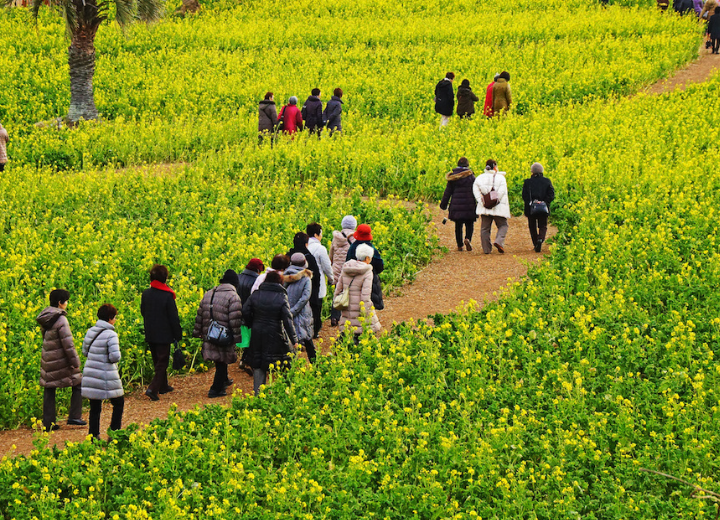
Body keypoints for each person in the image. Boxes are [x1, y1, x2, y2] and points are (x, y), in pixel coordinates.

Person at [242, 271, 299, 396]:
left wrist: (252, 323)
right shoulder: (281, 297)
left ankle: (258, 395)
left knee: (258, 360)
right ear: (280, 282)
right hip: (276, 333)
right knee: (283, 361)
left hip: (257, 333)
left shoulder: (256, 295)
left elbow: (245, 311)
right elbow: (287, 320)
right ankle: (283, 393)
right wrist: (294, 340)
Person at [36, 289, 84, 432]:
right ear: (60, 303)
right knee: (78, 383)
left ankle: (48, 423)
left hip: (48, 359)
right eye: (66, 301)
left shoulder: (46, 317)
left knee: (49, 388)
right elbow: (68, 344)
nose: (67, 303)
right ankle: (75, 416)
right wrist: (75, 362)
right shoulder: (61, 319)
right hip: (61, 360)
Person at [193, 270, 243, 398]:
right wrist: (237, 337)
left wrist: (197, 331)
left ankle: (224, 380)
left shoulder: (209, 293)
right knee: (222, 360)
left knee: (220, 359)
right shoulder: (233, 296)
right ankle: (215, 389)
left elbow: (200, 314)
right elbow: (235, 319)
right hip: (224, 335)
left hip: (209, 332)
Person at [81, 304, 124, 441]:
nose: (115, 320)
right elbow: (114, 357)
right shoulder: (111, 334)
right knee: (118, 403)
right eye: (115, 317)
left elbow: (84, 352)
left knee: (95, 405)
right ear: (110, 318)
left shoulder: (91, 331)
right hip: (106, 374)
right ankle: (114, 433)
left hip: (91, 373)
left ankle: (93, 436)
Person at [140, 264, 182, 402]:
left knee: (157, 360)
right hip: (164, 334)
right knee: (162, 361)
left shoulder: (146, 294)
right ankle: (153, 388)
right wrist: (178, 334)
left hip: (151, 332)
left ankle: (163, 386)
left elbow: (143, 312)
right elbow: (173, 317)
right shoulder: (167, 295)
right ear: (165, 278)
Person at [334, 244, 381, 341]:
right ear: (367, 258)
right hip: (360, 307)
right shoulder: (367, 271)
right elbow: (365, 295)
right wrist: (367, 310)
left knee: (347, 330)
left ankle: (340, 350)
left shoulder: (346, 268)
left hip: (347, 305)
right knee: (363, 331)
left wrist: (338, 302)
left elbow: (338, 289)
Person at [473, 159, 511, 254]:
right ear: (495, 167)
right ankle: (499, 241)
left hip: (485, 207)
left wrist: (482, 202)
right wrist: (495, 201)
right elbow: (501, 192)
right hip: (499, 207)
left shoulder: (479, 178)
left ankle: (486, 249)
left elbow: (476, 192)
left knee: (485, 228)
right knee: (503, 225)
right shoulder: (501, 178)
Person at [440, 157, 477, 252]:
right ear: (467, 165)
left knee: (458, 225)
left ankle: (460, 245)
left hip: (456, 205)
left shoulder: (453, 177)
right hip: (469, 205)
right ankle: (468, 239)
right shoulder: (471, 176)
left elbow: (447, 192)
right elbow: (476, 191)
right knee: (470, 223)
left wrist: (443, 204)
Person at [287, 232, 321, 332]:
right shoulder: (308, 257)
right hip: (308, 295)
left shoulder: (288, 256)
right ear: (306, 244)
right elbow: (317, 278)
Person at [284, 253, 315, 363]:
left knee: (291, 339)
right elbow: (305, 297)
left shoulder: (285, 276)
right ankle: (314, 363)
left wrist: (289, 311)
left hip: (287, 311)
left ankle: (291, 367)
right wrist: (295, 310)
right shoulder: (306, 278)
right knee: (307, 338)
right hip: (302, 313)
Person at [346, 224, 384, 310]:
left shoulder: (352, 247)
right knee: (370, 307)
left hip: (353, 280)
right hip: (371, 280)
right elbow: (380, 266)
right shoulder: (372, 249)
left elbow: (347, 263)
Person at [306, 223, 334, 338]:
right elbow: (327, 266)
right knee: (317, 308)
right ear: (316, 234)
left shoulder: (305, 246)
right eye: (321, 233)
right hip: (318, 282)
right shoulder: (320, 248)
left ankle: (306, 330)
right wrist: (331, 279)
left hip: (305, 281)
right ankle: (315, 330)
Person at [329, 215, 357, 326]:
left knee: (338, 293)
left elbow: (331, 253)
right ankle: (349, 317)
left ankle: (334, 317)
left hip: (337, 270)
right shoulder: (354, 238)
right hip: (349, 269)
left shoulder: (336, 238)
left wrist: (332, 265)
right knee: (352, 294)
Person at [522, 162, 556, 253]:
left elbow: (524, 195)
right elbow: (551, 194)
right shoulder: (547, 181)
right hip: (543, 208)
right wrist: (544, 201)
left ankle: (536, 243)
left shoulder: (527, 182)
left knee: (532, 226)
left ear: (532, 172)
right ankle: (541, 239)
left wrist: (532, 202)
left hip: (531, 208)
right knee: (543, 225)